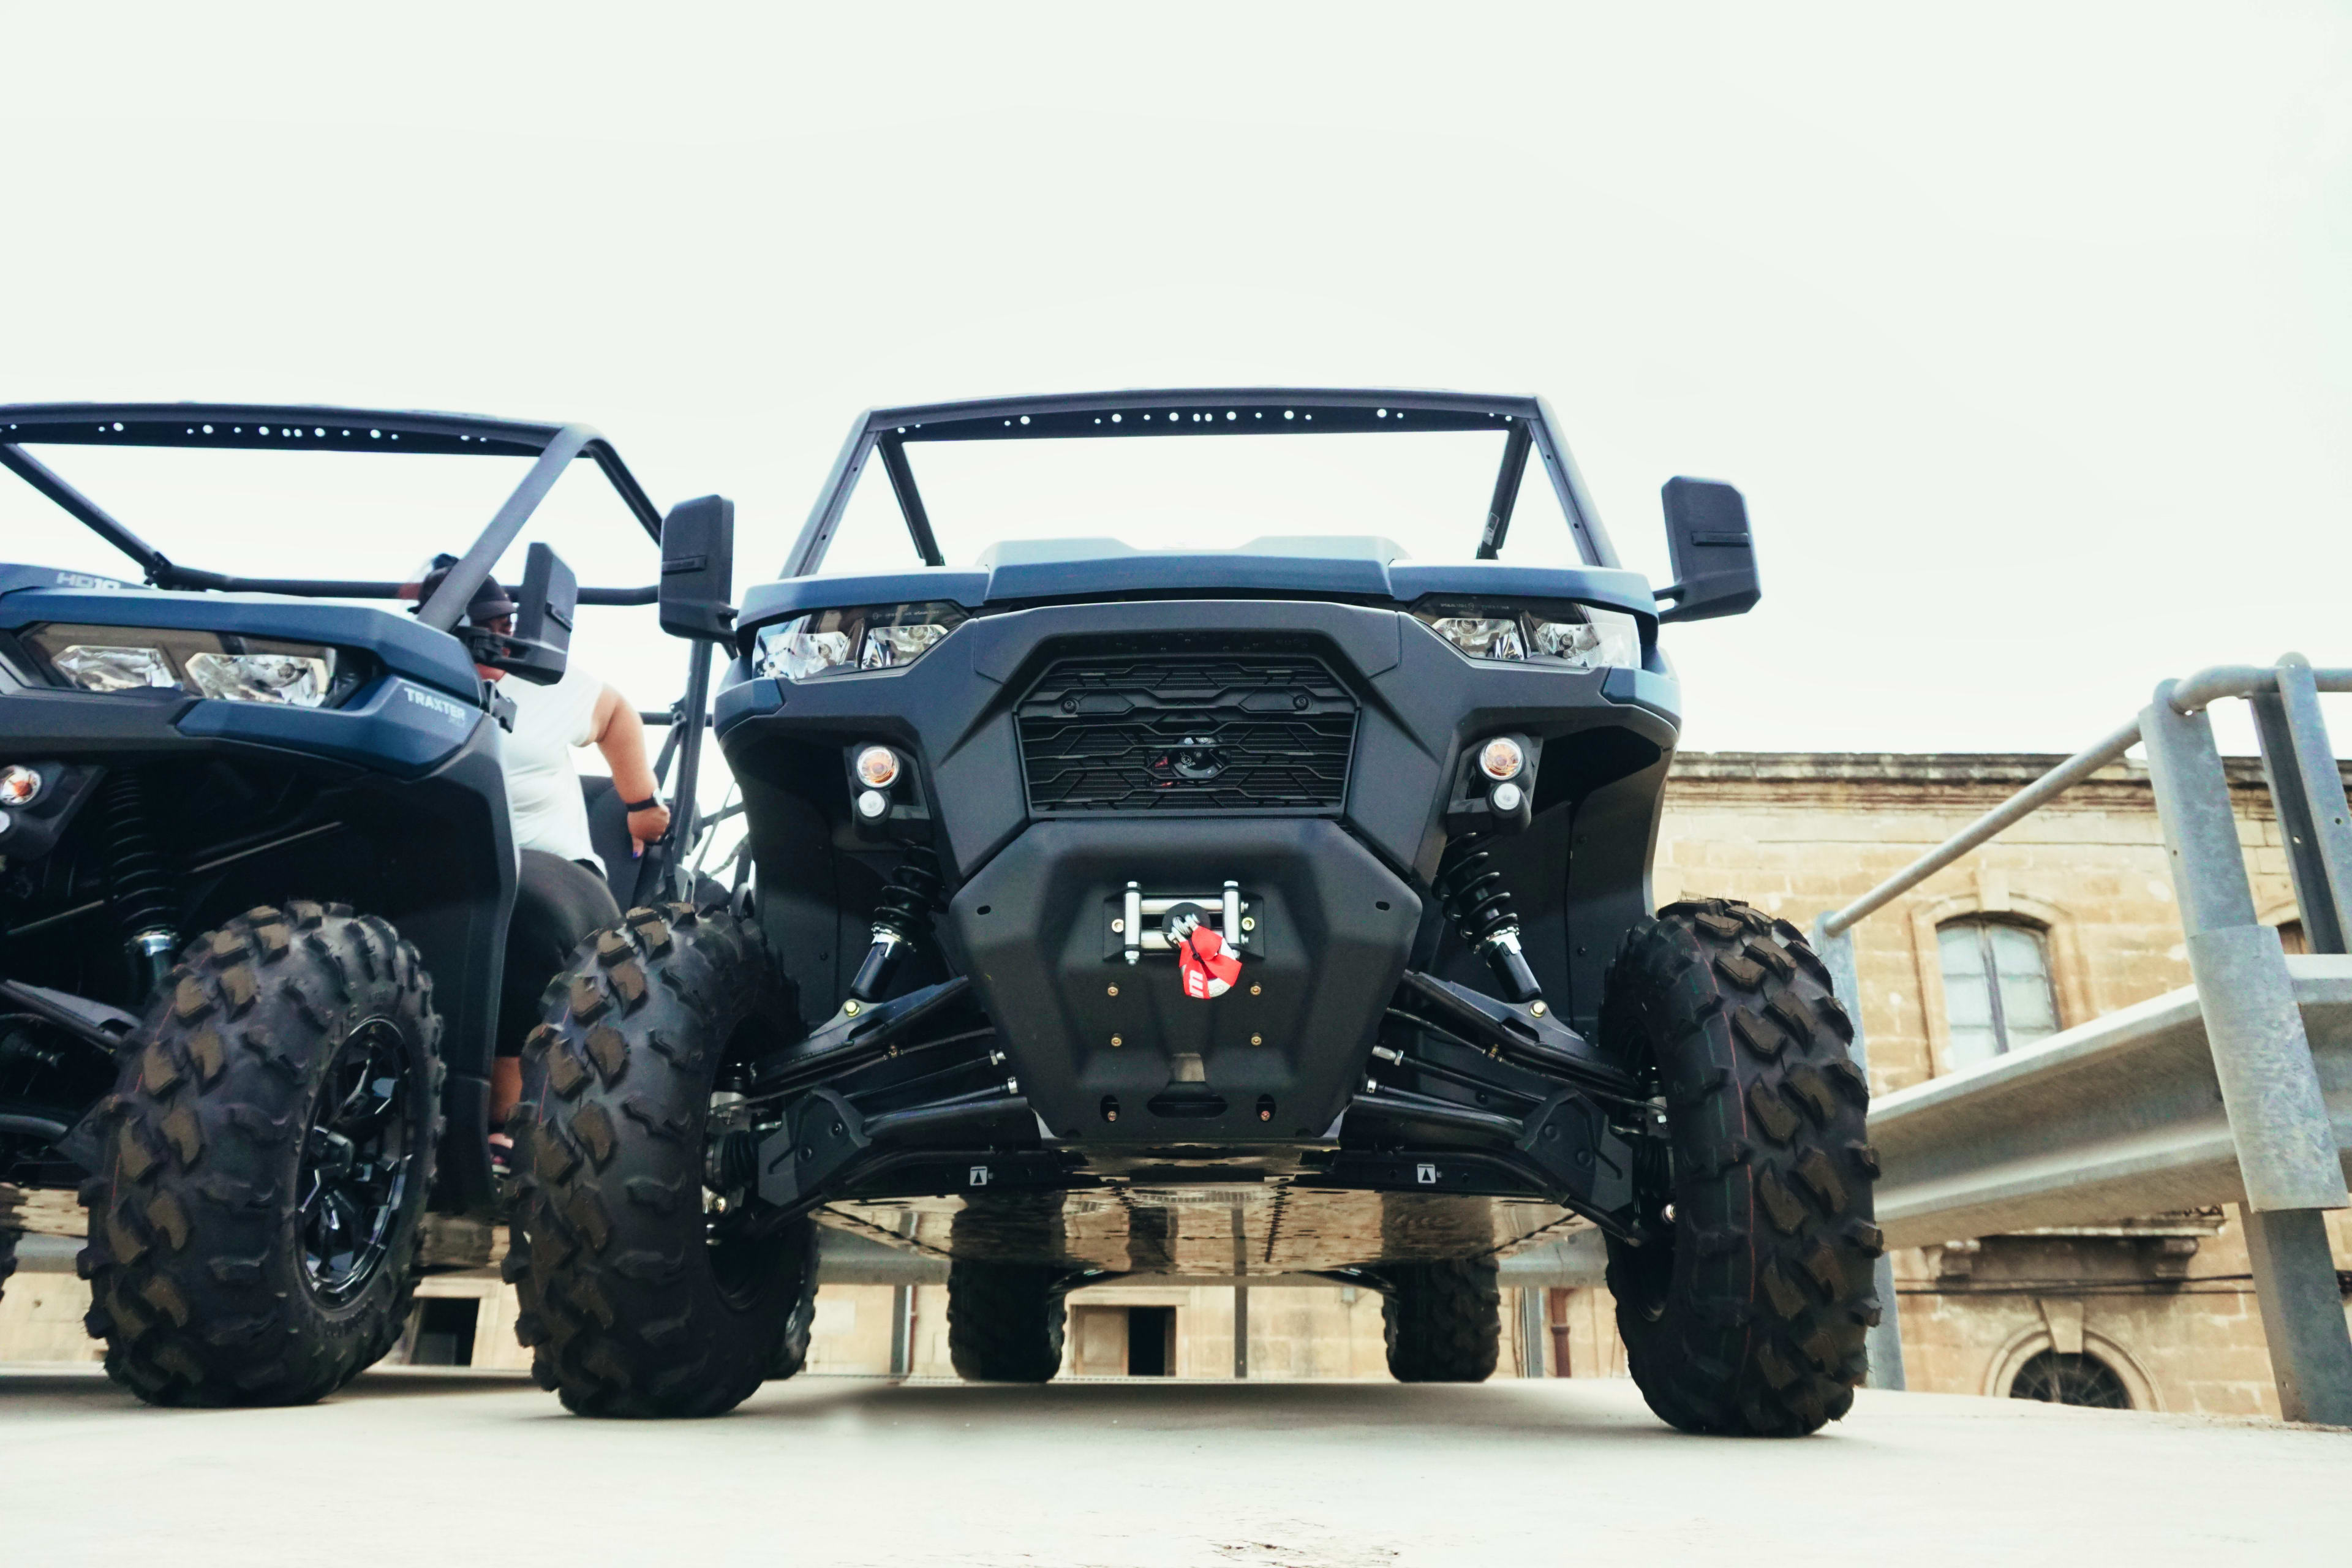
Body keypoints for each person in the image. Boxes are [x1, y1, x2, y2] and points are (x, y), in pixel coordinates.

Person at [407, 557, 672, 1171]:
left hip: (553, 872)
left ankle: (502, 1118)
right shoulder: (408, 687)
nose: (499, 642)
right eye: (480, 632)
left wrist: (640, 803)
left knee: (511, 901)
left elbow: (615, 713)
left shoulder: (541, 679)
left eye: (503, 627)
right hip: (446, 870)